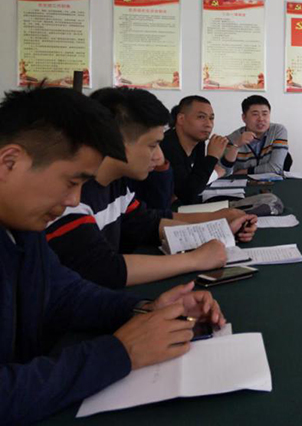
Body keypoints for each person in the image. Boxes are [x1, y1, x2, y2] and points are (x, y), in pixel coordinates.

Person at [0, 87, 225, 424]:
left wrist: (146, 309)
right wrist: (120, 353)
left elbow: (66, 295)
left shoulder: (23, 226)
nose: (75, 200)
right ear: (10, 162)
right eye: (71, 181)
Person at [46, 88, 256, 289]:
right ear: (116, 141)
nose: (159, 157)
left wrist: (220, 222)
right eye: (152, 146)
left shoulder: (117, 184)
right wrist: (195, 260)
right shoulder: (72, 197)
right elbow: (104, 268)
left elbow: (149, 222)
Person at [161, 95, 234, 204]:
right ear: (181, 119)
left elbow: (196, 182)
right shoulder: (166, 145)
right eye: (201, 117)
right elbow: (188, 193)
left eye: (211, 118)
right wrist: (212, 157)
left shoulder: (199, 142)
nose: (208, 124)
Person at [223, 95, 289, 176]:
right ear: (244, 117)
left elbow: (275, 168)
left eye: (265, 114)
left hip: (271, 182)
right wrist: (236, 146)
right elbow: (224, 173)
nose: (261, 119)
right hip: (242, 182)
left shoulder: (277, 131)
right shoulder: (231, 139)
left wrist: (245, 172)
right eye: (255, 114)